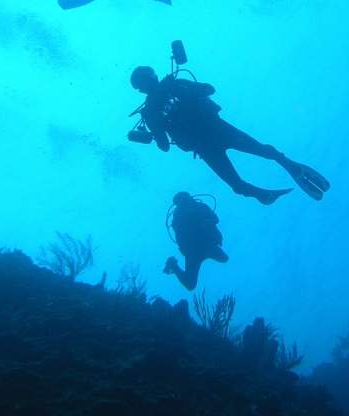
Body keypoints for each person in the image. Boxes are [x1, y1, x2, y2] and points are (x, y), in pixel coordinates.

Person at [130, 66, 331, 204]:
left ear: (140, 89)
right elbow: (209, 89)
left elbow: (164, 146)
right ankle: (291, 168)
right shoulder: (172, 87)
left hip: (205, 145)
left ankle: (266, 192)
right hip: (217, 130)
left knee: (237, 183)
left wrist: (152, 135)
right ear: (153, 76)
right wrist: (185, 89)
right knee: (262, 152)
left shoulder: (150, 111)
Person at [163, 192, 228, 291]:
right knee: (190, 284)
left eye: (184, 200)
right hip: (194, 251)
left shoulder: (200, 207)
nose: (183, 203)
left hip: (206, 245)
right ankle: (173, 265)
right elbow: (179, 236)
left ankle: (173, 265)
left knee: (224, 259)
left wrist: (208, 224)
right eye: (181, 202)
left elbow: (215, 219)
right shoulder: (178, 218)